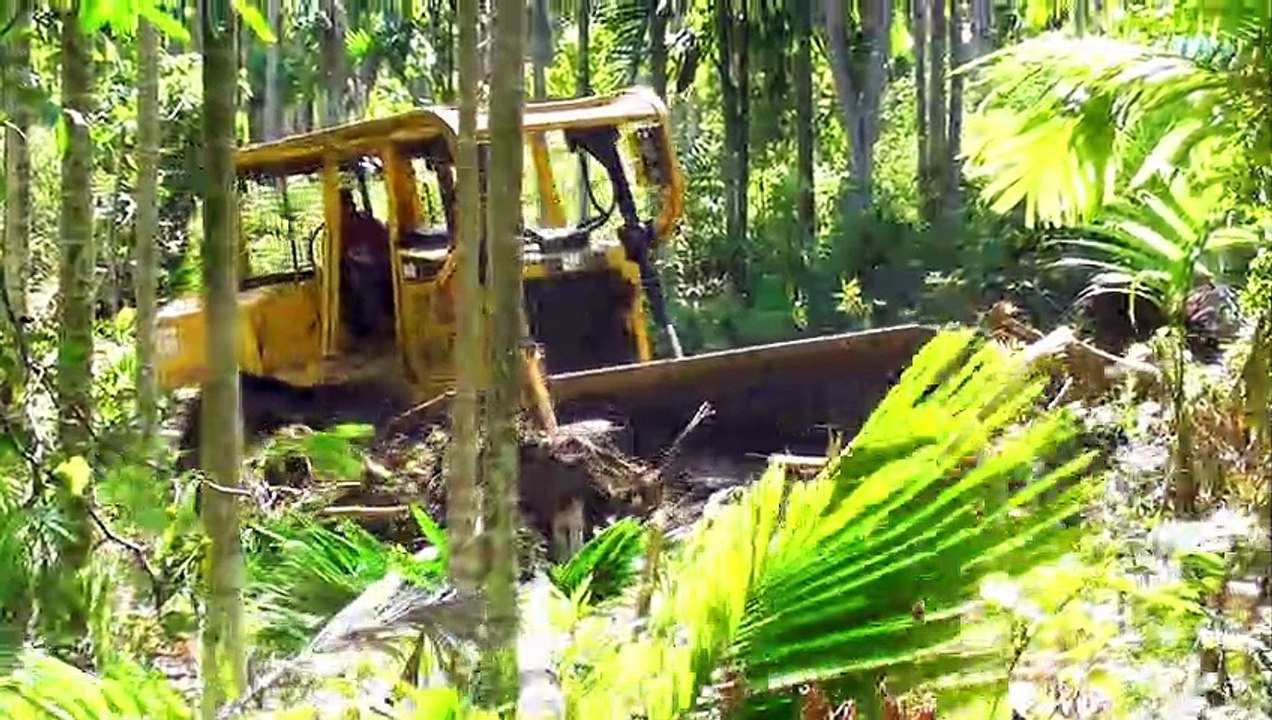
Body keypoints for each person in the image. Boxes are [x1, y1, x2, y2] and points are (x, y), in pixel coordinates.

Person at [337, 188, 393, 339]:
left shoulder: (366, 222)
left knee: (364, 281)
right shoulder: (335, 230)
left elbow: (383, 242)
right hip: (352, 269)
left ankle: (372, 325)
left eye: (344, 205)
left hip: (375, 267)